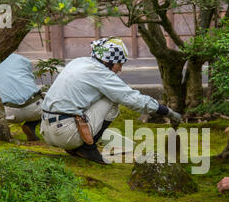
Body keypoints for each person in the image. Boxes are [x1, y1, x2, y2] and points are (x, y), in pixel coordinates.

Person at [40, 37, 182, 164]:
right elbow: (133, 99)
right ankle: (88, 148)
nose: (120, 69)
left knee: (100, 97)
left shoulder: (78, 62)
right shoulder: (102, 74)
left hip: (46, 130)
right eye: (119, 64)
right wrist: (168, 112)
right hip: (65, 133)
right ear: (108, 61)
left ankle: (78, 146)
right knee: (113, 100)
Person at [0, 46, 43, 141]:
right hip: (35, 109)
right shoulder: (20, 59)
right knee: (45, 98)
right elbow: (29, 79)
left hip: (8, 112)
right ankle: (30, 126)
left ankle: (0, 132)